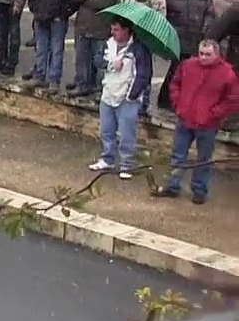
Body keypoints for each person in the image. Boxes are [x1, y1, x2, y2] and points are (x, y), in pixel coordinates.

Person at [151, 39, 239, 204]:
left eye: (208, 54)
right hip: (185, 119)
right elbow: (175, 84)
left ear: (217, 54)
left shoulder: (227, 73)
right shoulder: (187, 66)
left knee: (203, 159)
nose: (203, 57)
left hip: (208, 124)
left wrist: (214, 113)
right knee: (178, 156)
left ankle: (199, 190)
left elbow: (233, 100)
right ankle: (173, 186)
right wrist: (178, 105)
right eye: (201, 54)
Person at [89, 17, 153, 179]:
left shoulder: (138, 50)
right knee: (107, 130)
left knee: (126, 133)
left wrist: (131, 96)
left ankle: (127, 164)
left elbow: (144, 75)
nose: (113, 33)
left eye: (116, 29)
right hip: (108, 93)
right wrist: (111, 65)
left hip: (127, 99)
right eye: (112, 29)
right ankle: (108, 158)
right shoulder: (108, 44)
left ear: (127, 30)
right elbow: (97, 61)